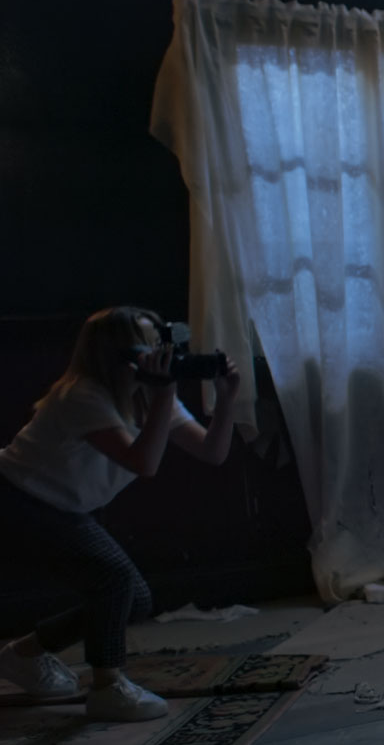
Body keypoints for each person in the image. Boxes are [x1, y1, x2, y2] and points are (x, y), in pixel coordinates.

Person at [0, 307, 242, 721]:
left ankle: (23, 655)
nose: (162, 354)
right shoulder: (83, 395)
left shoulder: (147, 394)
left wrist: (227, 399)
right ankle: (107, 687)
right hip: (16, 499)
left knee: (134, 597)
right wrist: (164, 394)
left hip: (59, 504)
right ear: (118, 354)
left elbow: (212, 452)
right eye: (148, 345)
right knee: (113, 580)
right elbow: (143, 463)